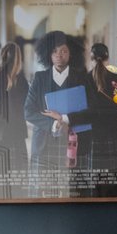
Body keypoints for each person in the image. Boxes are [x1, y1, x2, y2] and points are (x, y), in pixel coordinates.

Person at [23, 31, 86, 190]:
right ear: (48, 54)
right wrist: (53, 123)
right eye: (54, 51)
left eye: (63, 51)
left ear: (71, 53)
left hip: (72, 143)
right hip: (43, 143)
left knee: (70, 192)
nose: (59, 55)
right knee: (42, 193)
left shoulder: (81, 77)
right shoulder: (39, 78)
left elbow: (88, 110)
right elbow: (28, 111)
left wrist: (63, 118)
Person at [77, 42, 117, 197]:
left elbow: (84, 108)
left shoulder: (85, 79)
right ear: (107, 58)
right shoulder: (116, 77)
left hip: (93, 134)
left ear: (91, 58)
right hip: (112, 133)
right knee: (114, 176)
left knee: (96, 177)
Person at [0, 41, 30, 199]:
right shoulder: (21, 81)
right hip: (15, 133)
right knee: (16, 176)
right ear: (18, 59)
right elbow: (27, 108)